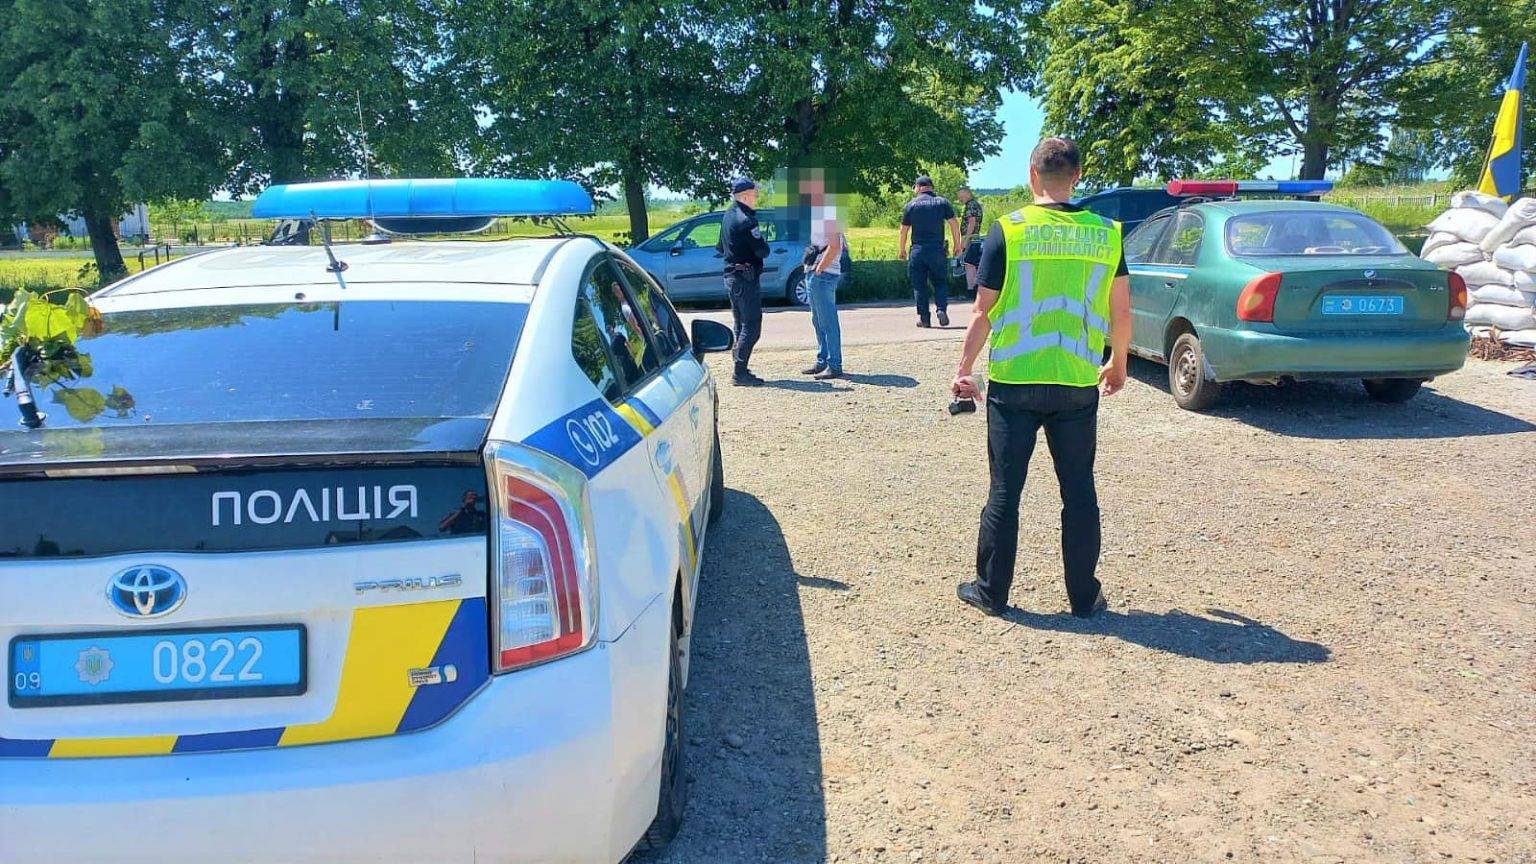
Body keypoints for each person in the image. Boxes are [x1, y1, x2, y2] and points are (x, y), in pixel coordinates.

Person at [950, 137, 1133, 620]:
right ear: (1077, 177)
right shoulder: (1107, 234)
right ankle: (1083, 598)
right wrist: (1119, 363)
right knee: (1079, 491)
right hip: (1076, 382)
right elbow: (1120, 309)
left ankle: (992, 592)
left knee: (1005, 494)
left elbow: (982, 314)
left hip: (1015, 384)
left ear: (1032, 175)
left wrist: (964, 370)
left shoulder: (1007, 231)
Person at [719, 177, 771, 386]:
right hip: (745, 278)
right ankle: (739, 372)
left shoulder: (728, 216)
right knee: (752, 325)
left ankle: (739, 367)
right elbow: (762, 250)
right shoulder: (747, 220)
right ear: (745, 196)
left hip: (731, 277)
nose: (756, 198)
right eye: (755, 194)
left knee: (740, 323)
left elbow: (720, 248)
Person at [897, 175, 962, 328]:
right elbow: (953, 223)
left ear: (918, 187)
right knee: (940, 282)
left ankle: (925, 319)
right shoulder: (942, 202)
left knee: (919, 286)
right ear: (931, 187)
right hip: (937, 250)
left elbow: (903, 230)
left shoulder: (911, 205)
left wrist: (902, 249)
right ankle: (941, 309)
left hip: (918, 251)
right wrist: (957, 245)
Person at [800, 179, 844, 380]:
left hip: (823, 275)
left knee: (827, 321)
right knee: (818, 321)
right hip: (817, 274)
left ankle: (833, 364)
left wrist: (819, 268)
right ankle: (823, 360)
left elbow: (835, 245)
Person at [956, 185, 985, 293]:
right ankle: (973, 289)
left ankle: (971, 289)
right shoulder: (974, 204)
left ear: (968, 194)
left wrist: (965, 240)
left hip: (971, 238)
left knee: (969, 264)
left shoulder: (971, 205)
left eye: (961, 196)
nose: (959, 199)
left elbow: (971, 222)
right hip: (974, 238)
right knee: (971, 263)